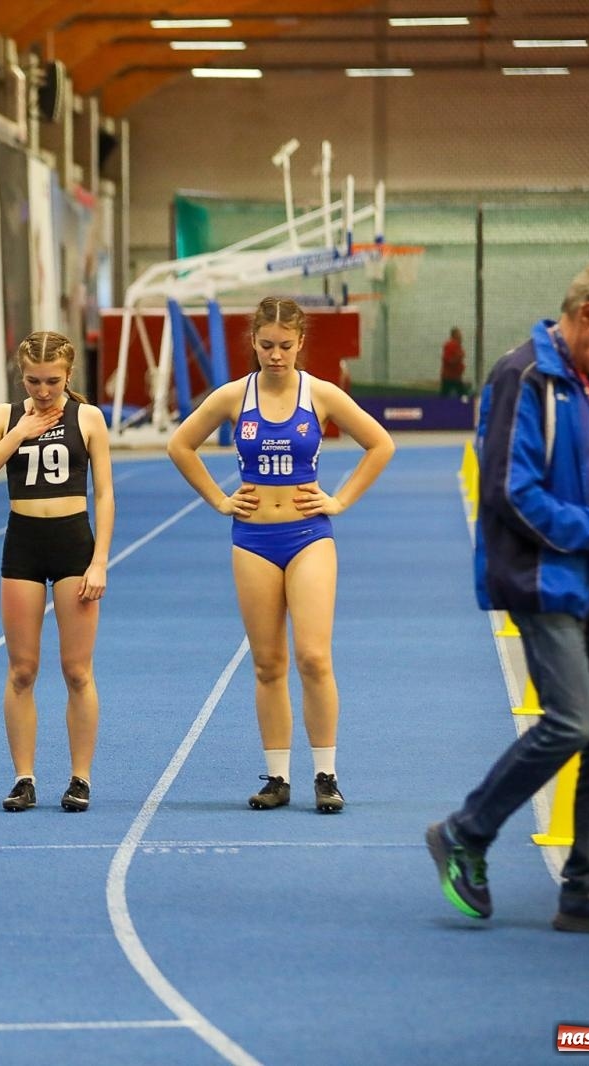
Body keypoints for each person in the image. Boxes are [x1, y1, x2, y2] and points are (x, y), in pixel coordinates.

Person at [428, 257, 589, 937]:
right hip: (539, 579)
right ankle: (466, 832)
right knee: (572, 721)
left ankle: (586, 892)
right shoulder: (523, 377)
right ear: (588, 313)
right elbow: (512, 493)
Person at [167, 297, 394, 813]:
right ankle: (276, 777)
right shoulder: (233, 396)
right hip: (253, 539)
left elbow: (380, 444)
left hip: (309, 534)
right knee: (268, 664)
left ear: (301, 344)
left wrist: (340, 499)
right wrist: (220, 499)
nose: (275, 356)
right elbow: (180, 445)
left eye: (285, 346)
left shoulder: (320, 394)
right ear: (253, 342)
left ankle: (326, 774)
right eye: (266, 346)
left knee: (313, 658)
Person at [0, 331, 114, 813]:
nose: (43, 391)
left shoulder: (88, 417)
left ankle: (80, 777)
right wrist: (18, 433)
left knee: (76, 670)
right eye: (33, 381)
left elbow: (105, 494)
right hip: (23, 544)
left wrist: (100, 560)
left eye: (52, 381)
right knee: (23, 670)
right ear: (20, 375)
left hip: (73, 543)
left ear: (69, 376)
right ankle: (24, 777)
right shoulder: (4, 416)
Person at [440, 327, 467, 398]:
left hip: (456, 376)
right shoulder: (450, 345)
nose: (461, 336)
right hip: (450, 377)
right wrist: (458, 357)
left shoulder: (457, 345)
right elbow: (448, 360)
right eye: (459, 334)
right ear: (455, 335)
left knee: (459, 393)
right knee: (446, 395)